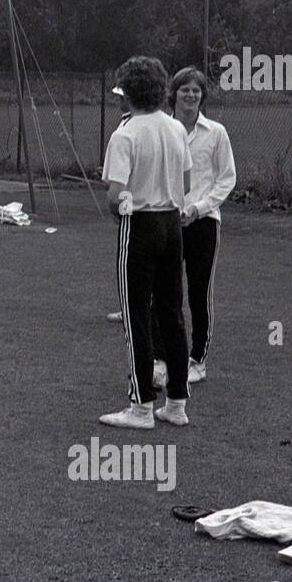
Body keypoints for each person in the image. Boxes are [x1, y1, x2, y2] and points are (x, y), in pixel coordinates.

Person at [99, 55, 193, 429]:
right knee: (171, 313)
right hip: (172, 225)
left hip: (140, 226)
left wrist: (124, 207)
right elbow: (185, 185)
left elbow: (115, 196)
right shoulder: (176, 129)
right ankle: (177, 403)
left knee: (136, 314)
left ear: (129, 94)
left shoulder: (125, 134)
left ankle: (140, 407)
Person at [150, 68, 237, 386]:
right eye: (184, 90)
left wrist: (199, 208)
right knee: (162, 293)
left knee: (199, 294)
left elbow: (227, 178)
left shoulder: (216, 132)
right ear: (174, 94)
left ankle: (197, 360)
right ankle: (160, 359)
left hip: (203, 224)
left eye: (196, 91)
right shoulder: (162, 129)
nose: (190, 95)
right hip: (167, 222)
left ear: (202, 96)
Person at [104, 84, 133, 324]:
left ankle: (134, 311)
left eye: (121, 96)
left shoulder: (128, 128)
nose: (118, 100)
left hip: (133, 205)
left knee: (131, 261)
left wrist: (118, 208)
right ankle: (133, 308)